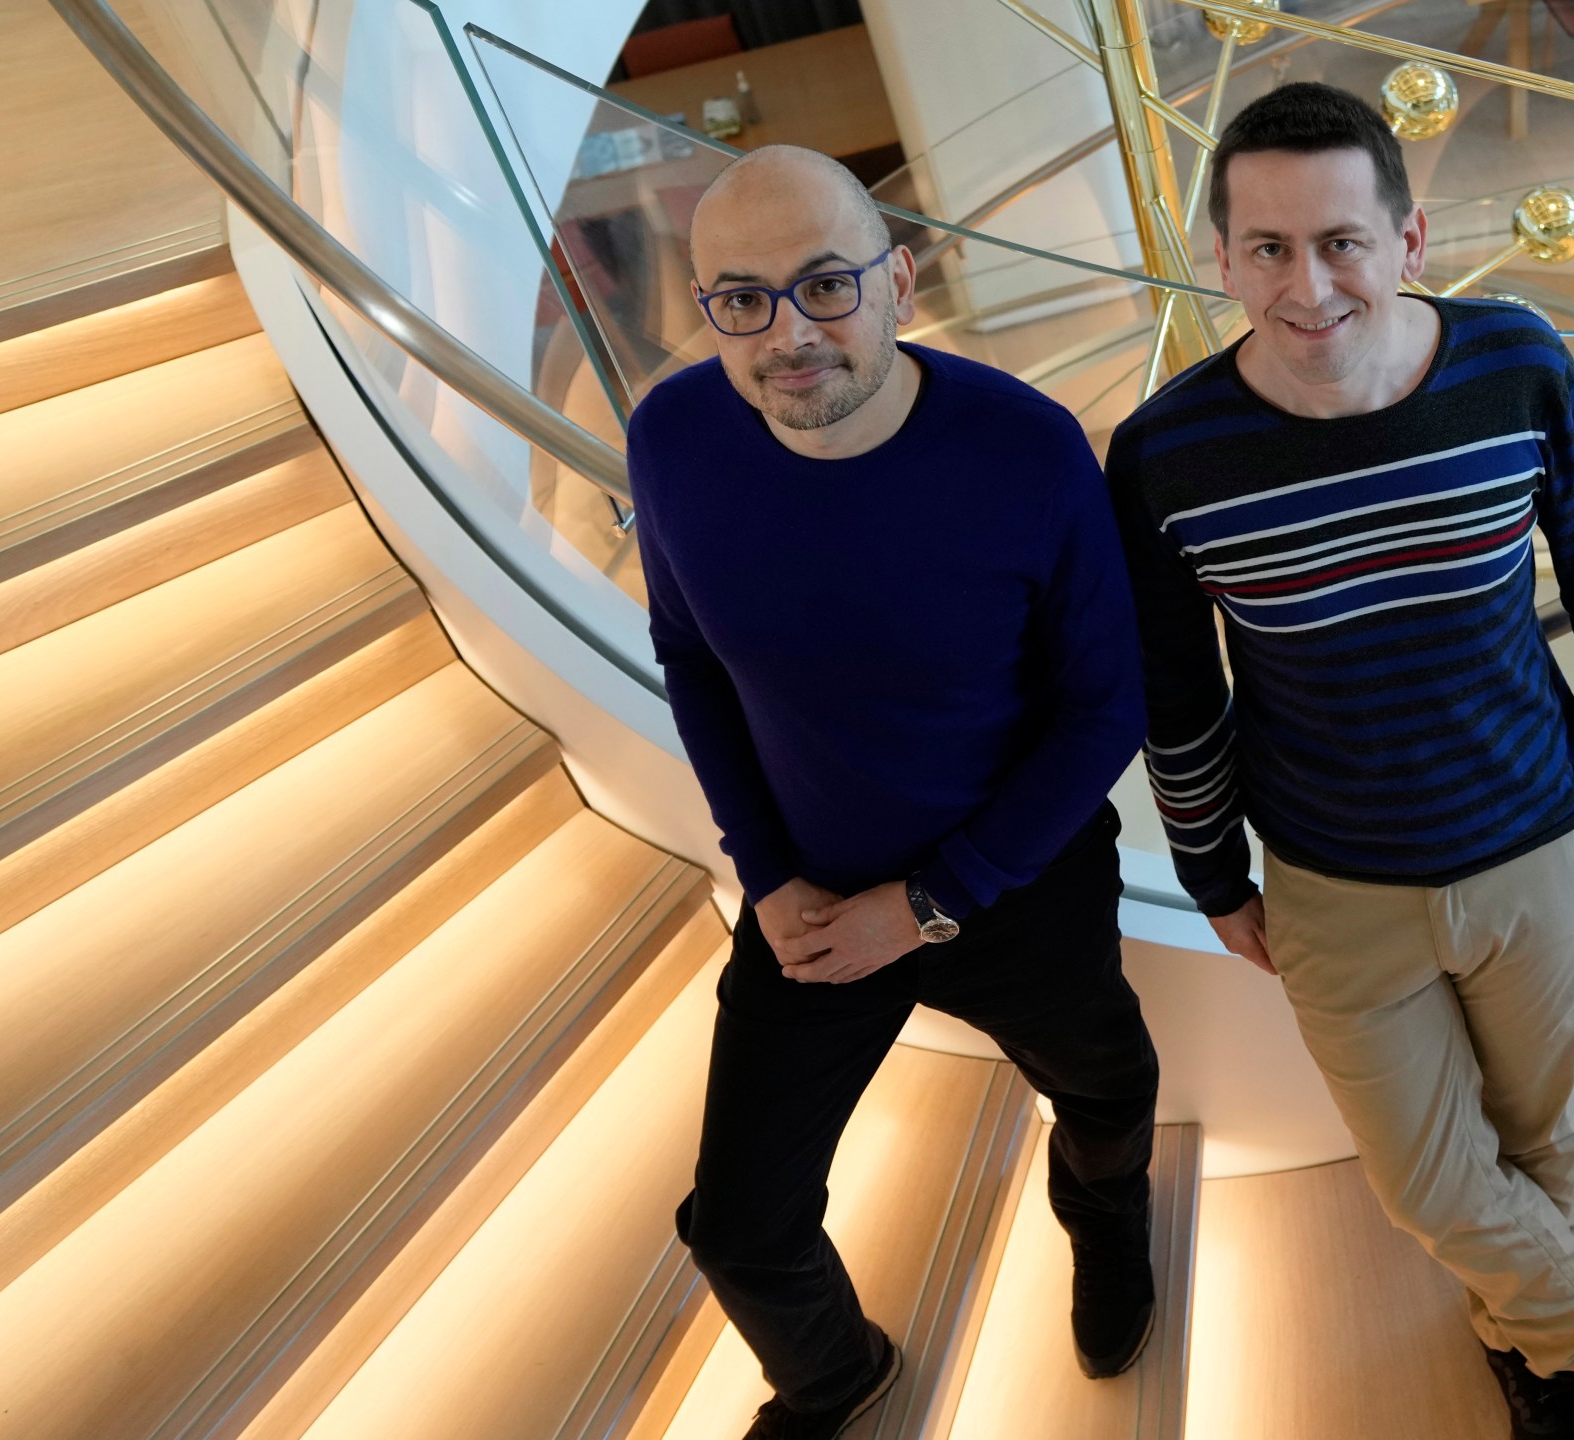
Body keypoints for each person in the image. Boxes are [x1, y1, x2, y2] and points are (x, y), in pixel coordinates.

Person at [1106, 85, 1574, 1439]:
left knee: (1540, 1125)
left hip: (1532, 839)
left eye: (1342, 242)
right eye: (1267, 249)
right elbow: (1177, 692)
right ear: (1223, 255)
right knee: (1426, 1178)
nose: (1307, 287)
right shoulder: (1165, 458)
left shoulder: (1518, 369)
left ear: (1410, 238)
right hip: (1332, 880)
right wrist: (1210, 868)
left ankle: (1536, 1352)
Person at [630, 146, 1162, 1440]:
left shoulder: (1026, 451)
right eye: (741, 299)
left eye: (825, 286)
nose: (788, 334)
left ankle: (1105, 1231)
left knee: (1102, 1095)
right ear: (705, 310)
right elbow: (693, 660)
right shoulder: (674, 438)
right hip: (809, 899)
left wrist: (930, 904)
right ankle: (835, 1375)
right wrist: (765, 875)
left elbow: (1110, 706)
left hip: (1015, 884)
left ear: (899, 281)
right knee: (740, 1226)